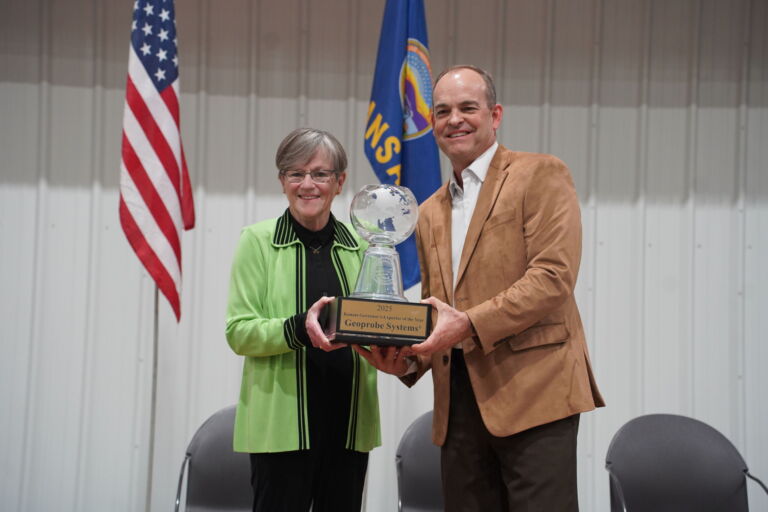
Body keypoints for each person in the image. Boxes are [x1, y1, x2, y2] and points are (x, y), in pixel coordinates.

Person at [354, 65, 605, 511]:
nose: (455, 119)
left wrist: (467, 323)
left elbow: (553, 278)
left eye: (468, 107)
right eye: (443, 111)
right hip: (459, 409)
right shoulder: (428, 210)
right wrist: (406, 361)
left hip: (537, 395)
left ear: (496, 114)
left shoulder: (540, 175)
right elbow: (438, 312)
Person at [226, 128, 380, 512]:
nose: (307, 184)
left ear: (340, 182)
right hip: (280, 431)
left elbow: (376, 324)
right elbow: (239, 332)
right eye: (295, 173)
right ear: (282, 183)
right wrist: (299, 328)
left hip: (347, 426)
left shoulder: (364, 248)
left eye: (320, 174)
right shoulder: (257, 241)